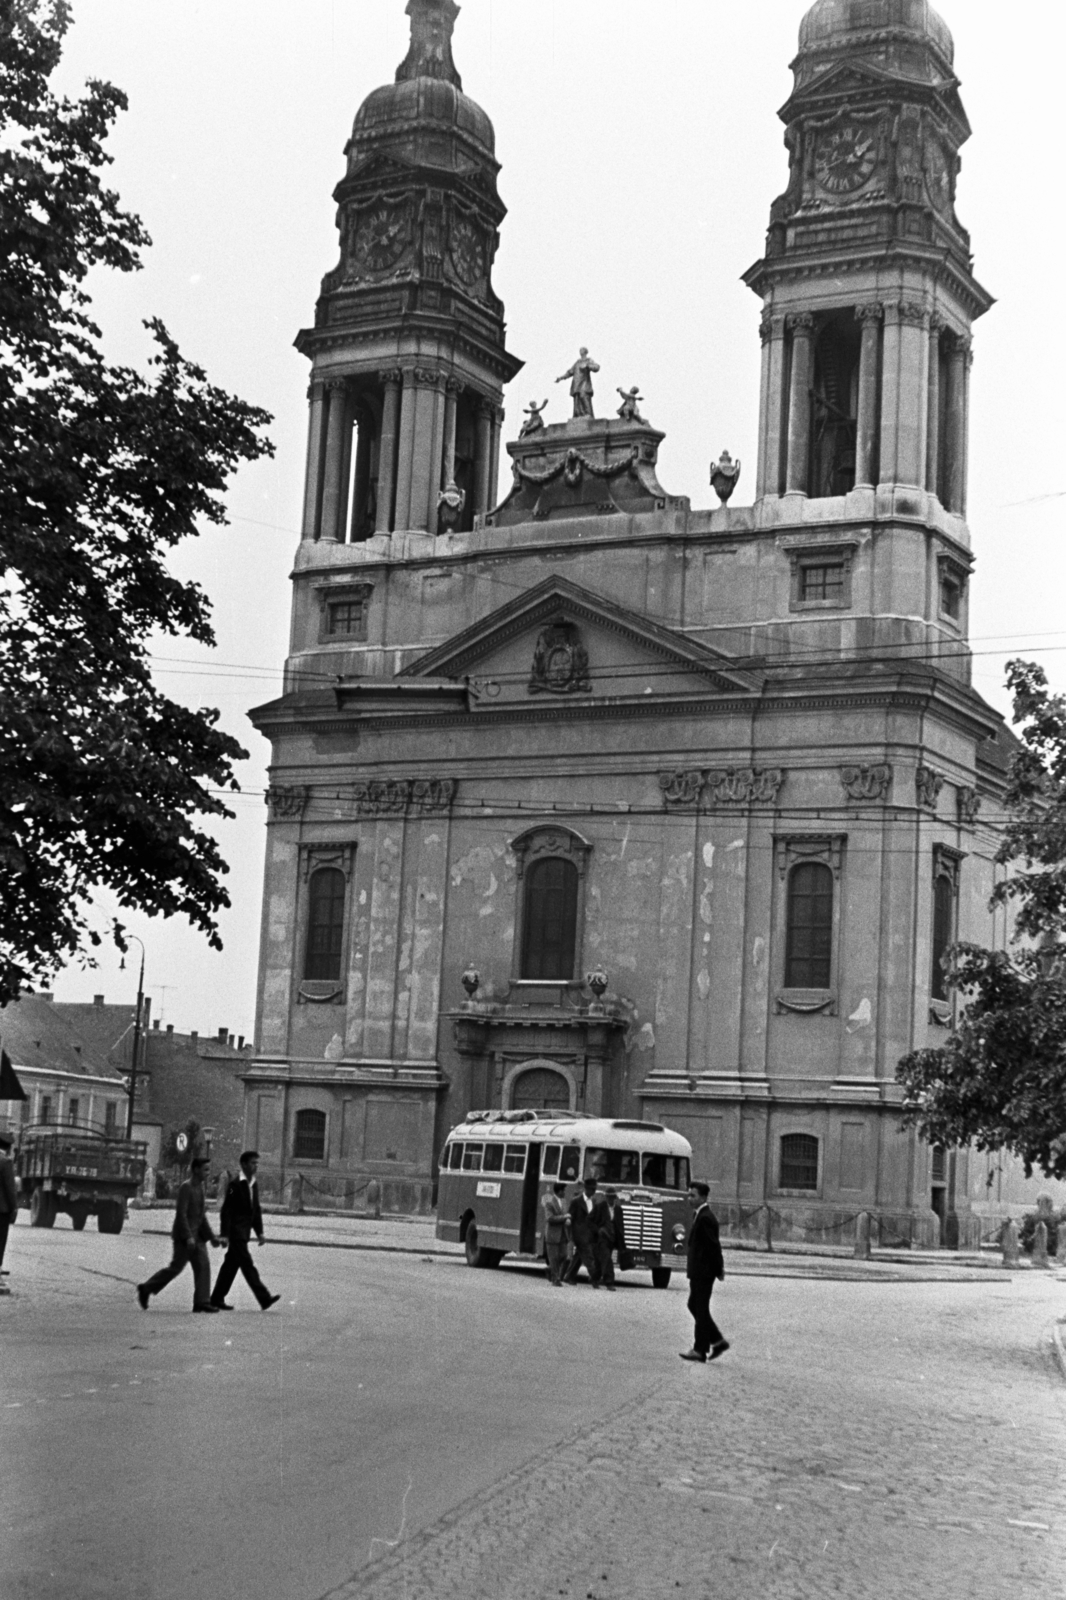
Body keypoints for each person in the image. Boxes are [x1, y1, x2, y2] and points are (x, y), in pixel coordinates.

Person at [137, 1156, 221, 1313]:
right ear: (196, 1170)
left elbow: (202, 1216)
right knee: (175, 1268)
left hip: (198, 1237)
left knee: (203, 1266)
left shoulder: (201, 1189)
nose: (208, 1173)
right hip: (184, 1238)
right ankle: (146, 1289)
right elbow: (181, 1214)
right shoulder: (186, 1187)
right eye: (206, 1169)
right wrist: (188, 1236)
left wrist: (212, 1238)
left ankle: (201, 1302)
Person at [210, 1150, 280, 1311]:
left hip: (244, 1232)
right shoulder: (234, 1186)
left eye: (257, 1163)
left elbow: (255, 1209)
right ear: (243, 1165)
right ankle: (264, 1298)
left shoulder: (253, 1184)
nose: (256, 1166)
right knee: (248, 1265)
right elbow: (226, 1210)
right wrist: (225, 1234)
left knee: (230, 1266)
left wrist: (260, 1232)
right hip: (236, 1233)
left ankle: (216, 1298)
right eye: (253, 1163)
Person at [680, 1181, 729, 1363]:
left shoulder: (706, 1218)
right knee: (695, 1306)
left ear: (703, 1197)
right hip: (699, 1271)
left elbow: (713, 1247)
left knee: (699, 1308)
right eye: (689, 1194)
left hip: (704, 1272)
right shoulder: (700, 1215)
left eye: (693, 1195)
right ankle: (717, 1340)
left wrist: (718, 1269)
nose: (689, 1198)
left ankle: (700, 1350)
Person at [566, 1176, 602, 1286]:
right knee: (588, 1257)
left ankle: (569, 1276)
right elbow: (570, 1217)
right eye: (592, 1189)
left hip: (591, 1235)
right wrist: (570, 1236)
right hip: (579, 1235)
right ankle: (594, 1279)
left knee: (579, 1256)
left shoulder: (594, 1202)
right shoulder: (576, 1201)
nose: (594, 1191)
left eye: (595, 1189)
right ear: (586, 1189)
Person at [556, 347, 599, 419]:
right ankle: (578, 415)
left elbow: (596, 367)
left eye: (582, 350)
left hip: (584, 382)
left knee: (583, 396)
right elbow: (570, 372)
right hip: (576, 383)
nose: (580, 352)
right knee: (577, 399)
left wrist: (588, 366)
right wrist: (560, 378)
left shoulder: (588, 360)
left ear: (585, 352)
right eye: (580, 350)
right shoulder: (577, 362)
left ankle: (588, 414)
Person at [541, 1180, 570, 1286]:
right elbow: (550, 1218)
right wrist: (564, 1217)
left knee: (564, 1256)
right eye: (564, 1190)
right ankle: (556, 1279)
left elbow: (565, 1214)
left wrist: (567, 1220)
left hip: (563, 1233)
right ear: (559, 1191)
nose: (565, 1193)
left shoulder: (564, 1201)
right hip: (552, 1234)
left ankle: (550, 1269)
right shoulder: (549, 1202)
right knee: (553, 1258)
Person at [596, 1186, 624, 1291]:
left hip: (612, 1238)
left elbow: (621, 1226)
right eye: (608, 1197)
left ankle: (594, 1277)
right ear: (606, 1197)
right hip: (602, 1238)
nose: (610, 1199)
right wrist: (598, 1231)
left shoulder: (618, 1209)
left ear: (615, 1198)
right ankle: (609, 1282)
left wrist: (621, 1241)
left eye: (612, 1197)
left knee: (601, 1260)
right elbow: (591, 1221)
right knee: (607, 1259)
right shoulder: (600, 1207)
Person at [0, 1133, 17, 1294]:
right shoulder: (5, 1162)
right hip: (1, 1210)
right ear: (9, 1147)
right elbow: (10, 1189)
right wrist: (14, 1208)